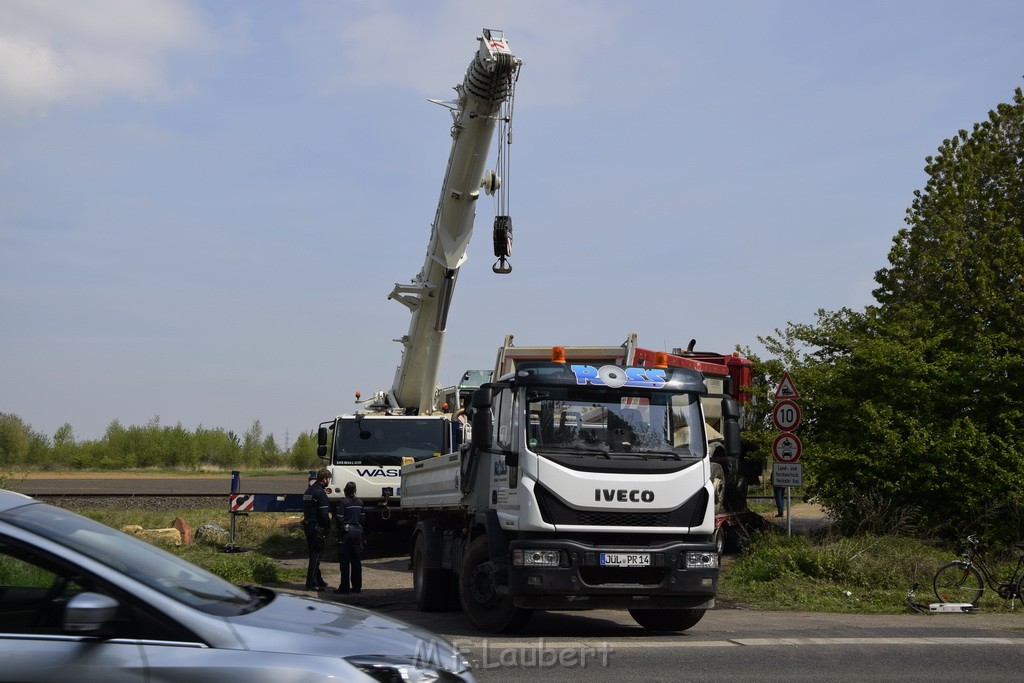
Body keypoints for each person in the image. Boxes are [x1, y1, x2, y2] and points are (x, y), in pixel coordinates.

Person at [302, 467, 331, 590]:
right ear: (325, 479)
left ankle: (318, 580)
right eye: (329, 479)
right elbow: (324, 514)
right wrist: (327, 527)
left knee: (313, 553)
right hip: (316, 527)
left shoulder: (308, 491)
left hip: (308, 525)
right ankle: (311, 583)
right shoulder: (320, 493)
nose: (329, 481)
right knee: (316, 555)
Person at [335, 481, 365, 594]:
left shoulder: (343, 502)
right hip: (358, 532)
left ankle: (344, 587)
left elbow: (339, 519)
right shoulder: (360, 502)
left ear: (345, 490)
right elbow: (362, 519)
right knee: (356, 561)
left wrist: (340, 528)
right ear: (355, 490)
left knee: (345, 561)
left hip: (347, 533)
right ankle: (357, 587)